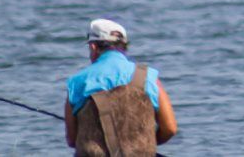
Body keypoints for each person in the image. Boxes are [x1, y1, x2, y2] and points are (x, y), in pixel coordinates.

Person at [64, 19, 177, 156]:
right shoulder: (148, 77)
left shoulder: (77, 82)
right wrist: (146, 143)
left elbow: (71, 140)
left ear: (93, 47)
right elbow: (170, 128)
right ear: (124, 47)